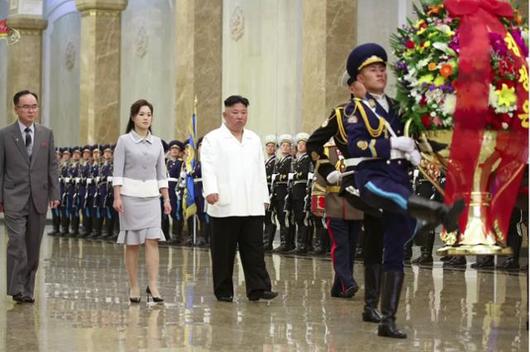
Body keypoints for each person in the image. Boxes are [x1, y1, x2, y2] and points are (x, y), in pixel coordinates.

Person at [341, 43, 465, 338]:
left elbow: (415, 135)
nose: (380, 72)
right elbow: (356, 145)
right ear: (359, 77)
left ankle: (388, 320)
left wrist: (418, 151)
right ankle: (438, 213)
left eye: (382, 68)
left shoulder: (396, 107)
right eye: (373, 69)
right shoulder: (355, 108)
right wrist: (391, 145)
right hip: (372, 177)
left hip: (398, 176)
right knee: (397, 198)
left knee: (397, 245)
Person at [201, 95, 278, 302]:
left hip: (252, 203)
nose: (240, 117)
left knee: (254, 249)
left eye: (243, 113)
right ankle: (224, 290)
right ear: (225, 114)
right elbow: (207, 167)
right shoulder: (213, 138)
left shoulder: (253, 138)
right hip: (224, 201)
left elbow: (260, 170)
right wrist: (210, 190)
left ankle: (258, 288)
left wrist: (264, 196)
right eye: (235, 113)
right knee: (223, 252)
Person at [0, 90, 60, 303]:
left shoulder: (46, 134)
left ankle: (27, 290)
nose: (31, 110)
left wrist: (55, 192)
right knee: (17, 243)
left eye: (34, 106)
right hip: (13, 197)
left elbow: (52, 165)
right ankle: (15, 287)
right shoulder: (5, 134)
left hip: (39, 198)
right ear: (16, 109)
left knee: (33, 246)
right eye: (26, 106)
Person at [112, 99, 171, 303]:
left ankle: (153, 285)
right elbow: (117, 171)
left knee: (153, 241)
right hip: (129, 197)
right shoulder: (124, 141)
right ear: (133, 117)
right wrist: (117, 197)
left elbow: (161, 173)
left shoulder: (157, 142)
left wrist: (166, 198)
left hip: (152, 197)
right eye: (142, 114)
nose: (146, 118)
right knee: (133, 243)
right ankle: (134, 286)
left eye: (149, 114)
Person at [271, 134, 294, 253]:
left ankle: (287, 243)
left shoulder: (290, 160)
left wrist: (278, 176)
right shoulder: (280, 161)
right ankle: (283, 241)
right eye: (283, 146)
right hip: (278, 192)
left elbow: (287, 176)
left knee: (285, 218)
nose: (285, 148)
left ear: (290, 148)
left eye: (287, 146)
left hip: (285, 192)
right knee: (280, 218)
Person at [263, 135, 278, 251]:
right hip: (263, 191)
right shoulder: (265, 162)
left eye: (272, 146)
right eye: (268, 146)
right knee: (265, 218)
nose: (270, 148)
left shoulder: (275, 162)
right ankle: (264, 241)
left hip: (271, 191)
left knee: (270, 217)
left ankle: (268, 243)